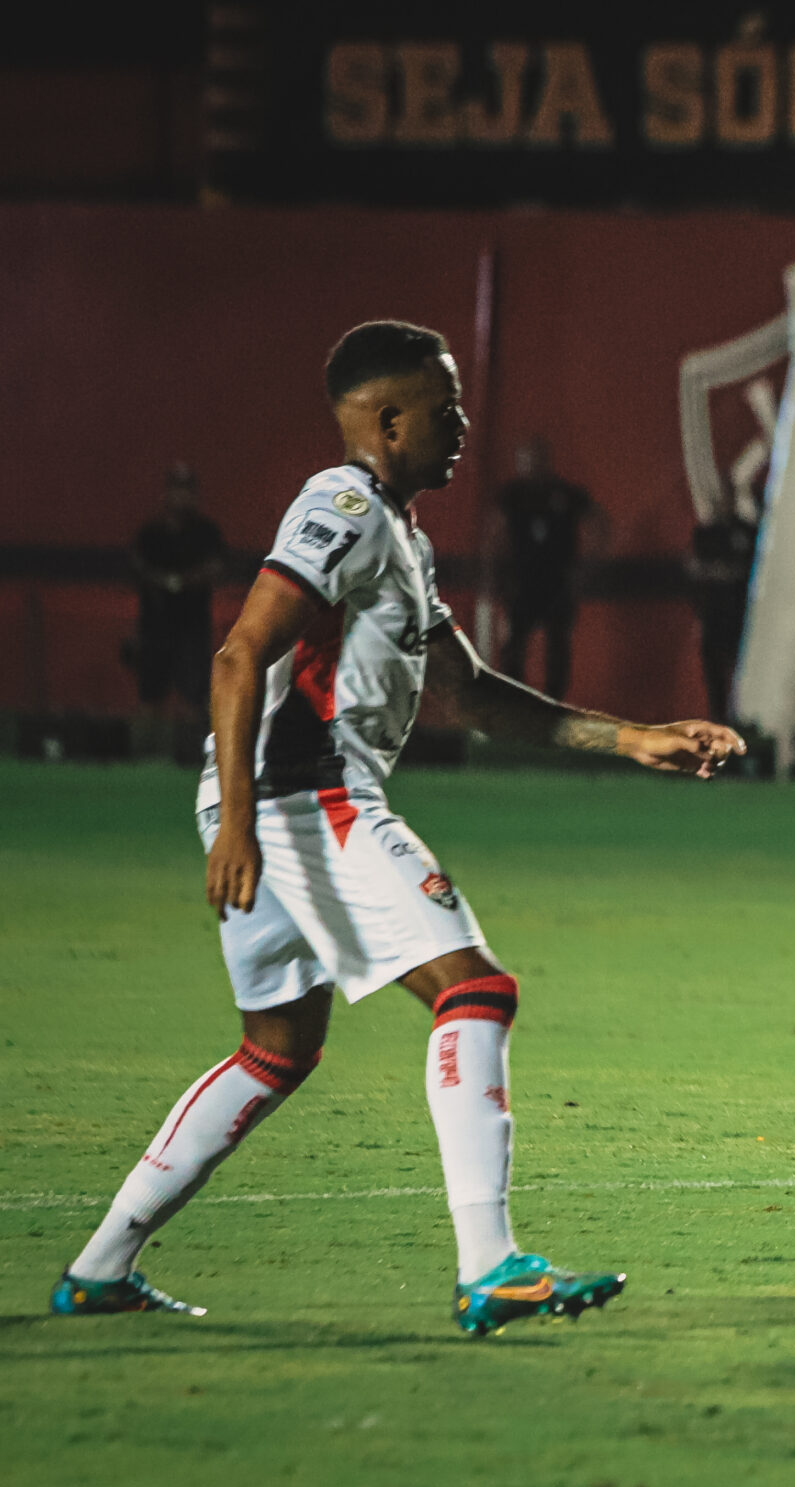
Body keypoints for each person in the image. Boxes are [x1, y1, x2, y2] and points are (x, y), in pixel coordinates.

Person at [51, 321, 744, 1335]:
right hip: (300, 794)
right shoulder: (340, 506)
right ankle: (491, 1265)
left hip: (281, 802)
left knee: (276, 1050)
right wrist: (240, 821)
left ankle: (100, 1267)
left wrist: (633, 736)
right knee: (475, 990)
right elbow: (239, 654)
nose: (462, 425)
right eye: (445, 407)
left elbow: (470, 697)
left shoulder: (399, 534)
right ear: (386, 420)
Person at [492, 437, 598, 697]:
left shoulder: (565, 493)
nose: (531, 466)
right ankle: (515, 706)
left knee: (557, 648)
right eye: (525, 460)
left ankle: (554, 706)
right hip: (522, 582)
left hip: (557, 582)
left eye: (535, 459)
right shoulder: (512, 495)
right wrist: (495, 572)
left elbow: (599, 524)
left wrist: (588, 567)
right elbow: (493, 532)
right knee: (514, 646)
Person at [124, 463, 226, 722]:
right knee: (150, 696)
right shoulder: (151, 532)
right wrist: (167, 582)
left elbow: (215, 568)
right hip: (154, 627)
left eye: (187, 490)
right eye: (176, 489)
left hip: (192, 628)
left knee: (194, 697)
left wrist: (179, 582)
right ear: (166, 493)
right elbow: (137, 568)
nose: (181, 496)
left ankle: (189, 756)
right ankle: (145, 755)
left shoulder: (206, 532)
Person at [687, 490, 758, 728]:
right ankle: (717, 717)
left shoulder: (746, 531)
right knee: (713, 665)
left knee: (740, 664)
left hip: (739, 611)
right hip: (713, 610)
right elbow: (695, 568)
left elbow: (752, 567)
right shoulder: (706, 533)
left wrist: (731, 573)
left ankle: (741, 716)